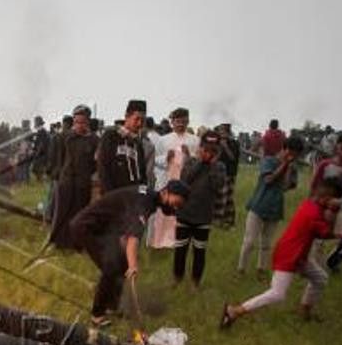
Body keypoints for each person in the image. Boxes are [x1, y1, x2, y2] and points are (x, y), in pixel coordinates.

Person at [221, 177, 342, 327]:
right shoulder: (313, 213)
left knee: (320, 278)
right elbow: (325, 233)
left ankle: (305, 311)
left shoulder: (311, 205)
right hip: (289, 256)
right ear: (327, 198)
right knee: (277, 294)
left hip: (299, 255)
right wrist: (335, 216)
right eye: (335, 198)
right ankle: (235, 311)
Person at [70, 181, 190, 326]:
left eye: (179, 206)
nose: (175, 207)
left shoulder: (149, 197)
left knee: (121, 260)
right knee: (111, 267)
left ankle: (113, 305)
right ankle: (97, 315)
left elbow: (126, 224)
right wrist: (133, 266)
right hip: (87, 227)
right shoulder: (145, 203)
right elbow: (133, 238)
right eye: (175, 202)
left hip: (103, 228)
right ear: (165, 192)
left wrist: (125, 252)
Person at [237, 136, 304, 277]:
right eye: (292, 153)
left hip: (275, 208)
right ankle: (241, 269)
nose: (293, 157)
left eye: (296, 155)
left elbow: (286, 187)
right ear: (285, 149)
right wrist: (285, 165)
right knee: (249, 241)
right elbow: (269, 179)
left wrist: (289, 169)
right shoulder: (268, 161)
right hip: (258, 205)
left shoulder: (293, 167)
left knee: (267, 243)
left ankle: (261, 270)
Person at [173, 131, 226, 286]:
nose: (208, 152)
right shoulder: (190, 162)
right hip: (185, 213)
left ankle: (196, 282)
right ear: (200, 147)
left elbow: (218, 185)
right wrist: (199, 162)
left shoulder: (220, 167)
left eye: (213, 150)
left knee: (199, 252)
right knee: (180, 250)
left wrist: (213, 164)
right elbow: (184, 180)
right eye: (206, 148)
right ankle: (177, 279)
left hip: (204, 216)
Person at [47, 105, 99, 249]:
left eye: (82, 122)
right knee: (61, 213)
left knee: (79, 215)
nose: (78, 126)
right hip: (66, 181)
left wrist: (87, 174)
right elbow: (59, 158)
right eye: (76, 122)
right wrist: (58, 174)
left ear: (88, 122)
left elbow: (95, 163)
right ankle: (58, 243)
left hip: (83, 184)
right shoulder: (64, 137)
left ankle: (76, 244)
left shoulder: (94, 140)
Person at [310, 131, 342, 271]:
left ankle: (332, 261)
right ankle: (316, 269)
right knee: (319, 239)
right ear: (336, 147)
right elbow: (314, 185)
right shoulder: (325, 165)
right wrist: (312, 205)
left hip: (340, 208)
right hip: (321, 207)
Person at [148, 107, 199, 248]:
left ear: (188, 121)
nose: (180, 124)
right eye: (177, 121)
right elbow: (155, 161)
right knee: (163, 212)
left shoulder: (195, 140)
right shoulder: (163, 140)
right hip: (166, 181)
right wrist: (166, 157)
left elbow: (198, 163)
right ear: (172, 122)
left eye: (183, 121)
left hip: (184, 182)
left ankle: (179, 240)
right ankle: (159, 241)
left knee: (181, 211)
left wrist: (189, 156)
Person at [96, 99, 147, 193]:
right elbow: (103, 167)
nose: (139, 124)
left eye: (142, 121)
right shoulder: (111, 136)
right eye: (137, 119)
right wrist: (108, 194)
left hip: (133, 196)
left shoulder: (138, 143)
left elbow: (142, 172)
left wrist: (143, 193)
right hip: (115, 195)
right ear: (127, 117)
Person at [44, 115, 73, 223]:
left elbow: (51, 155)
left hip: (56, 171)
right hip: (68, 173)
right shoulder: (73, 137)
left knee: (52, 196)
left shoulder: (57, 137)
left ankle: (49, 216)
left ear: (64, 123)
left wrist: (49, 170)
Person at [214, 123, 240, 228]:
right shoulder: (217, 143)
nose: (221, 133)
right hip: (219, 173)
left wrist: (225, 147)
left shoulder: (234, 143)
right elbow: (216, 157)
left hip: (229, 173)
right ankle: (219, 220)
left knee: (227, 198)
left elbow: (232, 158)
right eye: (219, 131)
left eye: (222, 131)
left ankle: (227, 221)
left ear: (228, 132)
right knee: (219, 197)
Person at [29, 116, 50, 182]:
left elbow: (42, 144)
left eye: (36, 123)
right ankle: (40, 180)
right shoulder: (40, 132)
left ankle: (41, 180)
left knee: (37, 168)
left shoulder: (42, 132)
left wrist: (37, 153)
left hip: (41, 154)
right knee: (35, 168)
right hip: (40, 153)